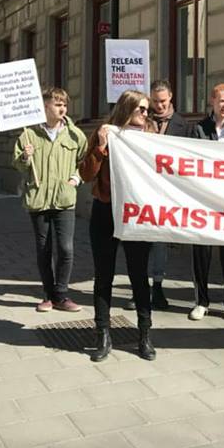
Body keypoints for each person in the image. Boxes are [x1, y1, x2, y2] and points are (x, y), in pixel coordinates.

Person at [79, 90, 156, 362]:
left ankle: (144, 335)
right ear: (127, 109)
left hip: (136, 214)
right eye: (142, 109)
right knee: (104, 276)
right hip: (105, 212)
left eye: (147, 110)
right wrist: (100, 147)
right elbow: (86, 173)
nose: (147, 114)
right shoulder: (106, 134)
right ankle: (102, 334)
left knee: (139, 276)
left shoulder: (152, 137)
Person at [13, 87, 87, 313]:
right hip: (39, 199)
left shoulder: (75, 134)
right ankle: (48, 295)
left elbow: (85, 162)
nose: (62, 108)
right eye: (57, 104)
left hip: (64, 199)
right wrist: (25, 156)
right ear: (45, 107)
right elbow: (18, 164)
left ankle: (61, 294)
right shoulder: (29, 134)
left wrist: (75, 179)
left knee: (66, 249)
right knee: (44, 248)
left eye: (64, 104)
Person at [125, 79, 189, 312]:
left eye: (163, 101)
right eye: (155, 101)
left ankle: (158, 287)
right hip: (141, 190)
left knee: (160, 242)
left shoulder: (183, 125)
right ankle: (137, 289)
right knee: (139, 239)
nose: (159, 106)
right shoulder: (142, 122)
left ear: (171, 97)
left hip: (166, 192)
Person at [189, 83, 224, 323]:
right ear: (212, 101)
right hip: (203, 201)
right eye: (222, 101)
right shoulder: (198, 130)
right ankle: (201, 302)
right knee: (201, 252)